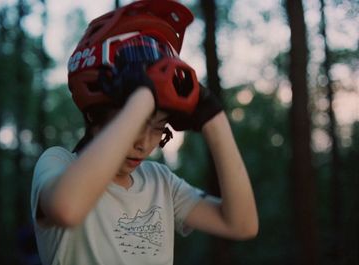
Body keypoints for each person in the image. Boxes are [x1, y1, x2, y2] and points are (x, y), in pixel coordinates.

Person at [30, 1, 258, 264]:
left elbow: (242, 225)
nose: (144, 144)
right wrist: (146, 95)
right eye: (136, 122)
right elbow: (66, 208)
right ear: (94, 112)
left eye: (159, 127)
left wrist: (214, 119)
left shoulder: (160, 181)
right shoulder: (59, 163)